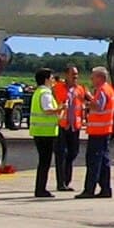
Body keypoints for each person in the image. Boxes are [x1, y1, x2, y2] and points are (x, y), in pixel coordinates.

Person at [76, 66, 114, 199]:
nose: (91, 79)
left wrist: (87, 98)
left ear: (100, 77)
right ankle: (105, 189)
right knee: (103, 161)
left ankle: (90, 189)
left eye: (93, 76)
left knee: (93, 161)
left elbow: (98, 106)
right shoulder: (109, 90)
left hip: (98, 131)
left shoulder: (102, 90)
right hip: (104, 130)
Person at [29, 68, 62, 197]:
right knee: (45, 162)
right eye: (52, 78)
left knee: (43, 161)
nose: (53, 80)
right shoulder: (45, 93)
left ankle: (40, 188)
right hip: (45, 132)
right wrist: (60, 108)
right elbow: (47, 110)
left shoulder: (38, 92)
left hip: (39, 131)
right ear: (47, 79)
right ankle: (41, 189)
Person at [55, 64, 82, 191]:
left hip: (74, 127)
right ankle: (62, 183)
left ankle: (67, 179)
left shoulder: (80, 89)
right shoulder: (57, 88)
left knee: (73, 153)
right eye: (73, 74)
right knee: (61, 155)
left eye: (76, 74)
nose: (75, 76)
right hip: (61, 125)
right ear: (66, 75)